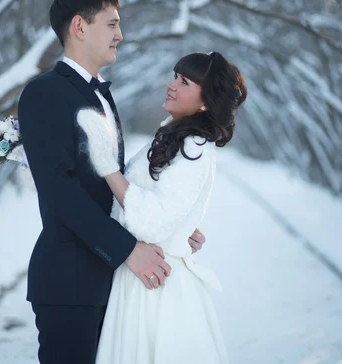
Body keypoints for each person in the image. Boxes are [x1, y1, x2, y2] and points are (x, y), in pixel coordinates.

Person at [17, 0, 206, 364]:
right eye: (112, 24)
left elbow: (112, 183)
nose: (120, 35)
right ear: (79, 27)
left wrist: (170, 228)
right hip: (71, 282)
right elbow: (61, 191)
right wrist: (128, 250)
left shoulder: (98, 93)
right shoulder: (45, 92)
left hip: (107, 280)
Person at [76, 51, 247, 363]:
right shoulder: (177, 135)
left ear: (206, 100)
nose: (172, 85)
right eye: (175, 76)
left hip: (156, 286)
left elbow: (152, 223)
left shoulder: (193, 145)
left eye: (185, 82)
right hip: (145, 274)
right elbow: (164, 208)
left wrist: (107, 167)